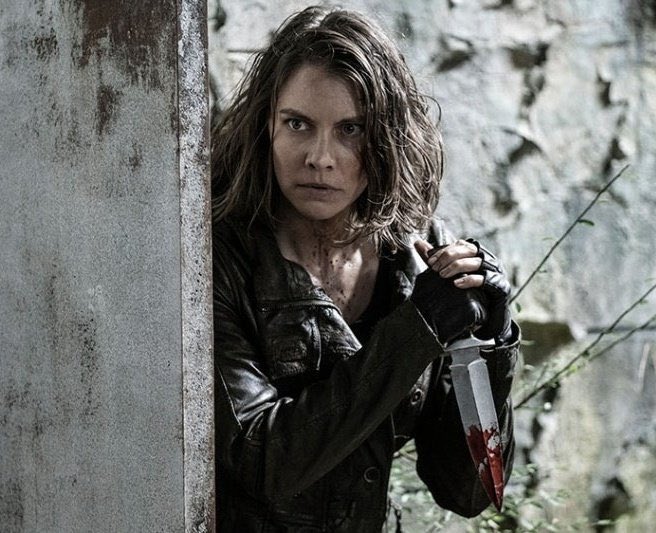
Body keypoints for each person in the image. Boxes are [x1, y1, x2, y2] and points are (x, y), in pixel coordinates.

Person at [210, 6, 519, 531]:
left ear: (387, 138)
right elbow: (262, 463)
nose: (320, 157)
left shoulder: (418, 254)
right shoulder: (220, 259)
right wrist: (417, 330)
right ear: (267, 127)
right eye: (297, 124)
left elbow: (467, 492)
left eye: (350, 129)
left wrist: (491, 341)